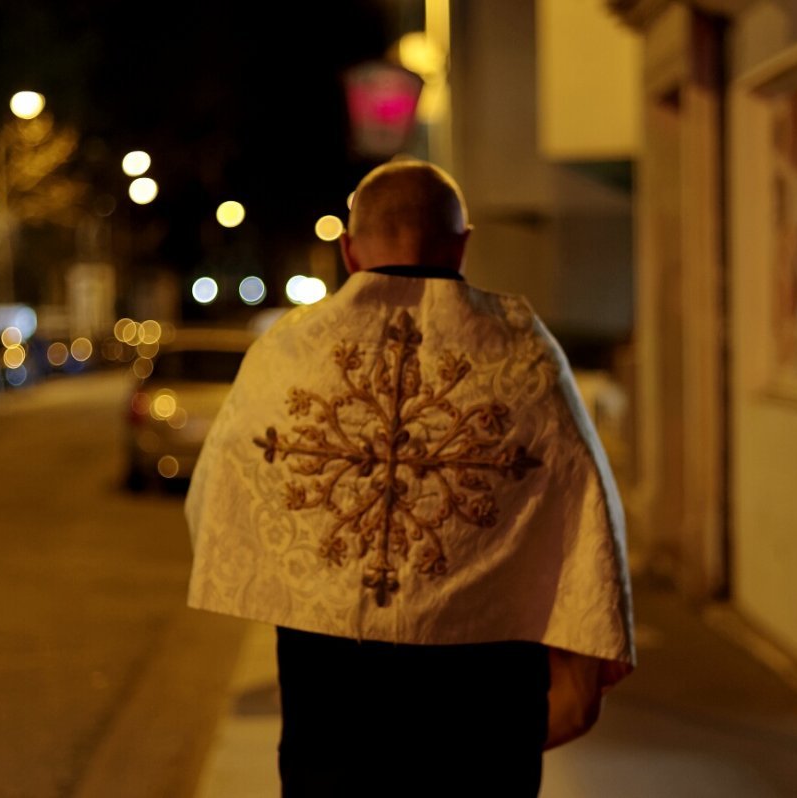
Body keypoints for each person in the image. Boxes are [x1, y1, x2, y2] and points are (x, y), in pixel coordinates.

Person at [185, 159, 635, 796]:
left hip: (333, 710)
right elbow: (587, 505)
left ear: (347, 249)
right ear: (462, 245)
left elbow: (220, 494)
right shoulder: (525, 352)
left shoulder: (288, 352)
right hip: (482, 716)